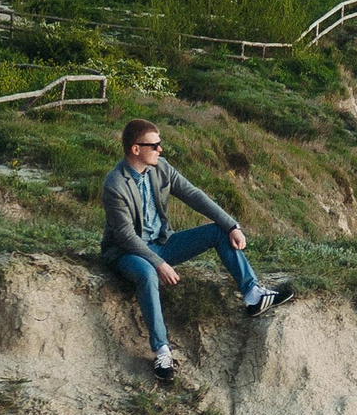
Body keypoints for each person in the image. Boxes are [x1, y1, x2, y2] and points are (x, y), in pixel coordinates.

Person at [101, 118, 282, 382]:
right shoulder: (115, 184)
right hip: (128, 253)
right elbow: (126, 236)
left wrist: (232, 225)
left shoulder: (160, 168)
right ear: (135, 149)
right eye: (154, 145)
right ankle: (161, 350)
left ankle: (253, 294)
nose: (160, 149)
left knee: (217, 231)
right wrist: (158, 263)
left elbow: (194, 195)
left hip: (163, 243)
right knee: (148, 274)